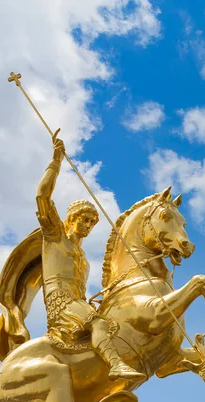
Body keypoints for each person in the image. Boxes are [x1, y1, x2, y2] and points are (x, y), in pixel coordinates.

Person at [36, 130, 145, 382]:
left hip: (78, 304)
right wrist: (56, 161)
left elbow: (81, 291)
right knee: (98, 323)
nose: (87, 225)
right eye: (83, 219)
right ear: (71, 219)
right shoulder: (55, 237)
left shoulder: (83, 258)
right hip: (60, 305)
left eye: (91, 222)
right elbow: (42, 196)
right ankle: (116, 365)